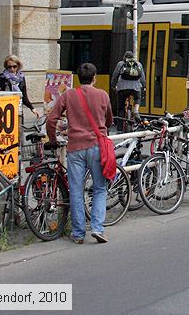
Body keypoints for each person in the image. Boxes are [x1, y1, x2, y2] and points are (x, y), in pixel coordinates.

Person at [47, 62, 112, 244]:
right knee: (99, 188)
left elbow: (52, 119)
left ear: (78, 78)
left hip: (75, 147)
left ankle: (78, 233)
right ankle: (98, 228)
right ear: (94, 78)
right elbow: (109, 119)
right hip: (97, 146)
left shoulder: (68, 95)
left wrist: (53, 140)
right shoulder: (102, 95)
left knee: (76, 190)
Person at [110, 51, 145, 132]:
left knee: (121, 108)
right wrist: (143, 86)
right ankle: (136, 110)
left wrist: (113, 85)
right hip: (136, 88)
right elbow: (142, 78)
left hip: (122, 88)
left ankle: (119, 129)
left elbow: (115, 75)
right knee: (137, 98)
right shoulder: (138, 64)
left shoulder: (120, 63)